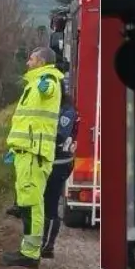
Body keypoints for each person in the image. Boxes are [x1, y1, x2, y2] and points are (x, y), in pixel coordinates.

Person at [2, 47, 65, 269]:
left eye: (31, 59)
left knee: (32, 204)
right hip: (26, 152)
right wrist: (15, 148)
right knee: (26, 202)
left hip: (34, 154)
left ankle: (30, 254)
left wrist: (43, 77)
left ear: (41, 62)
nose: (27, 63)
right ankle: (28, 251)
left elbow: (48, 90)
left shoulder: (48, 79)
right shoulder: (34, 82)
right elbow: (28, 121)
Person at [39, 90, 81, 260]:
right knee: (42, 202)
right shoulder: (58, 108)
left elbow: (59, 136)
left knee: (51, 204)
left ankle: (48, 245)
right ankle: (40, 241)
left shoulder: (67, 112)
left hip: (59, 164)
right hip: (50, 161)